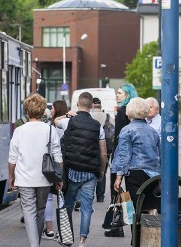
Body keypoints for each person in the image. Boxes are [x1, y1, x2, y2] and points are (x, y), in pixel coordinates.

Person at [9, 93, 63, 247]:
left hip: (24, 178)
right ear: (42, 111)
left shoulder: (19, 131)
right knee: (40, 210)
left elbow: (12, 158)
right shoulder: (50, 130)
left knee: (29, 211)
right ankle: (36, 243)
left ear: (27, 110)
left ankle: (34, 245)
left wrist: (11, 177)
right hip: (45, 178)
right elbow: (58, 157)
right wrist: (59, 178)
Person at [58, 91, 107, 247]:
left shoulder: (69, 122)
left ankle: (67, 237)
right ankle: (82, 240)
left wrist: (67, 114)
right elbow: (103, 153)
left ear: (78, 104)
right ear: (92, 106)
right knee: (87, 208)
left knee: (68, 205)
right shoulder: (97, 126)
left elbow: (55, 120)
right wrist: (101, 171)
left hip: (72, 171)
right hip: (90, 173)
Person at [111, 97, 162, 216]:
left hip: (135, 173)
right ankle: (151, 229)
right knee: (150, 205)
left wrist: (118, 178)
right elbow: (159, 153)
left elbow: (124, 155)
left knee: (133, 208)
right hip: (153, 174)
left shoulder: (127, 130)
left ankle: (136, 232)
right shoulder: (152, 131)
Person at [42, 99, 69, 241]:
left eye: (52, 108)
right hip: (66, 163)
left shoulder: (49, 125)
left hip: (51, 164)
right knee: (63, 198)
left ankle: (49, 230)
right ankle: (63, 231)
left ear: (56, 109)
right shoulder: (68, 124)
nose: (50, 110)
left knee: (48, 198)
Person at [91, 97, 114, 203]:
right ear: (101, 106)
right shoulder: (108, 117)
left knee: (91, 171)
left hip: (91, 147)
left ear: (92, 105)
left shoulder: (89, 116)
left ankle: (89, 194)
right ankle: (100, 196)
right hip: (105, 147)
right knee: (103, 172)